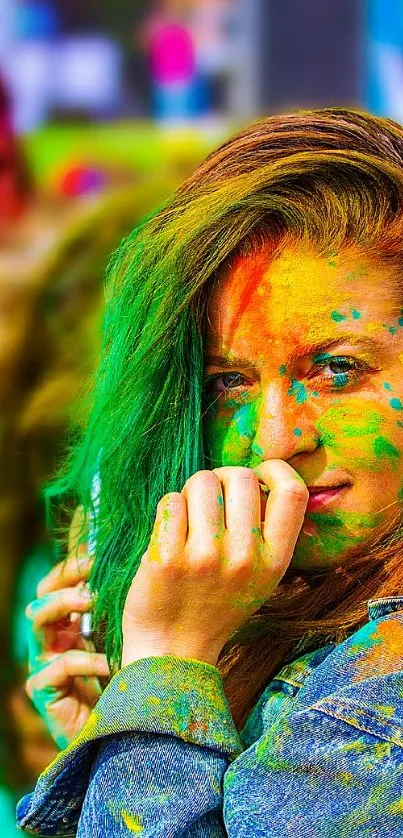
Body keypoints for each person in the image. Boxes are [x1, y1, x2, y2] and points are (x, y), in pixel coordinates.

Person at [16, 108, 403, 836]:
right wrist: (120, 737)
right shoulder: (309, 618)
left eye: (336, 369)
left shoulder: (380, 693)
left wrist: (165, 661)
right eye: (229, 380)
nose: (274, 439)